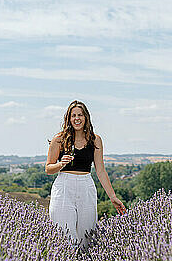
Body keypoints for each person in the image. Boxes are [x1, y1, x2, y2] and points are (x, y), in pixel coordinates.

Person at [46, 100, 126, 251]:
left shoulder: (95, 140)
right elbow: (48, 168)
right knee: (65, 239)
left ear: (86, 117)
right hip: (64, 188)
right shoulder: (59, 139)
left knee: (87, 240)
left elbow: (100, 171)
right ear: (68, 119)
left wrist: (113, 197)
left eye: (80, 115)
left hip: (86, 187)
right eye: (73, 115)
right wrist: (61, 164)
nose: (77, 118)